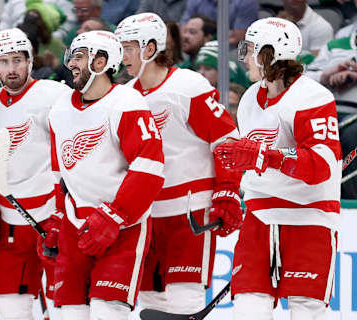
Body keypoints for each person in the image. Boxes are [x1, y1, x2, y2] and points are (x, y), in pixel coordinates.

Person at [215, 17, 341, 319]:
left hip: (309, 217)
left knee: (306, 311)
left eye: (250, 49)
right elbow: (242, 156)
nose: (244, 57)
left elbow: (321, 166)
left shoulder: (312, 97)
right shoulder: (248, 99)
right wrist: (229, 192)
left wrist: (265, 156)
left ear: (269, 53)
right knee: (248, 308)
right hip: (259, 218)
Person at [115, 12, 242, 314]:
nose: (123, 56)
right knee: (149, 304)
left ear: (150, 48)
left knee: (185, 300)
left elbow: (227, 140)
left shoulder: (188, 85)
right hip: (145, 215)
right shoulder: (125, 96)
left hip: (190, 212)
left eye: (129, 47)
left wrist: (227, 190)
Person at [48, 30, 165, 320]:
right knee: (69, 314)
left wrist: (114, 216)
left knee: (106, 312)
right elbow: (60, 175)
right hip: (75, 229)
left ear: (100, 62)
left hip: (122, 229)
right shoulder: (59, 108)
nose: (71, 64)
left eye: (79, 56)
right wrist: (57, 218)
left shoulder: (127, 103)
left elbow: (150, 169)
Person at [0, 27, 71, 320]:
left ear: (31, 60)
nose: (12, 69)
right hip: (10, 225)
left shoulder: (56, 95)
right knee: (10, 310)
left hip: (51, 218)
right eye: (4, 61)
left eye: (18, 60)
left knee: (63, 309)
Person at [181, 0, 259, 47]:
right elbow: (183, 30)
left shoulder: (246, 2)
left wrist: (202, 38)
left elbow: (239, 38)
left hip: (233, 50)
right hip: (198, 47)